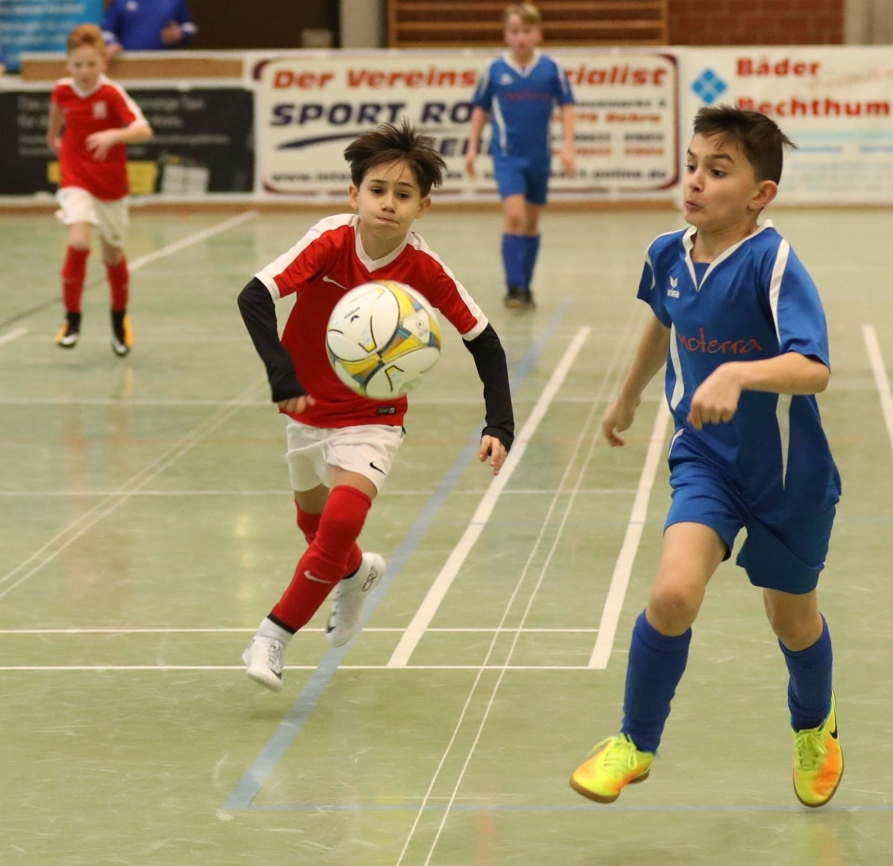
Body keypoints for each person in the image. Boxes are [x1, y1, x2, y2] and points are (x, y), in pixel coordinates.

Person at [569, 106, 843, 809]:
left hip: (787, 476)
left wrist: (738, 374)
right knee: (672, 595)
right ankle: (634, 742)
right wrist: (627, 397)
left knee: (793, 623)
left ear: (760, 194)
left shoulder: (773, 262)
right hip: (705, 461)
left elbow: (814, 370)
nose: (695, 181)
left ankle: (814, 726)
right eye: (692, 165)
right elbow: (664, 322)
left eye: (717, 171)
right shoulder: (667, 253)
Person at [238, 121, 515, 692]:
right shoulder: (330, 241)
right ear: (354, 194)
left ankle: (273, 635)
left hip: (373, 416)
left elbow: (484, 340)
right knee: (314, 525)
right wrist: (281, 371)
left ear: (422, 207)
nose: (389, 203)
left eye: (404, 195)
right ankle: (357, 572)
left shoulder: (424, 268)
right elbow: (255, 296)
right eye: (378, 190)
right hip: (307, 408)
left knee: (340, 520)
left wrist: (500, 423)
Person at [47, 23, 153, 355]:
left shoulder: (111, 93)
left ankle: (119, 320)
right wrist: (55, 142)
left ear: (103, 63)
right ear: (68, 64)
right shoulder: (62, 90)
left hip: (110, 184)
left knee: (112, 254)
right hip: (76, 178)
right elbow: (55, 120)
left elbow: (144, 130)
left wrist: (114, 135)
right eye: (77, 64)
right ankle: (72, 318)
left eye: (91, 64)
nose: (84, 71)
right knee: (79, 241)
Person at [464, 2, 575, 310]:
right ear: (506, 35)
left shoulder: (551, 69)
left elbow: (567, 106)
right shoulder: (494, 70)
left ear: (538, 34)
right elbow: (480, 109)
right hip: (507, 156)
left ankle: (526, 286)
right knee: (514, 215)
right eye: (515, 31)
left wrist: (568, 146)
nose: (521, 37)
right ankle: (513, 287)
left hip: (539, 156)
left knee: (531, 221)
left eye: (527, 31)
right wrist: (472, 147)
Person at [101, 0, 197, 57]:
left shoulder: (174, 2)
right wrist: (111, 43)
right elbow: (106, 30)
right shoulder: (120, 2)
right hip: (129, 61)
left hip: (165, 63)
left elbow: (190, 27)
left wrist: (180, 33)